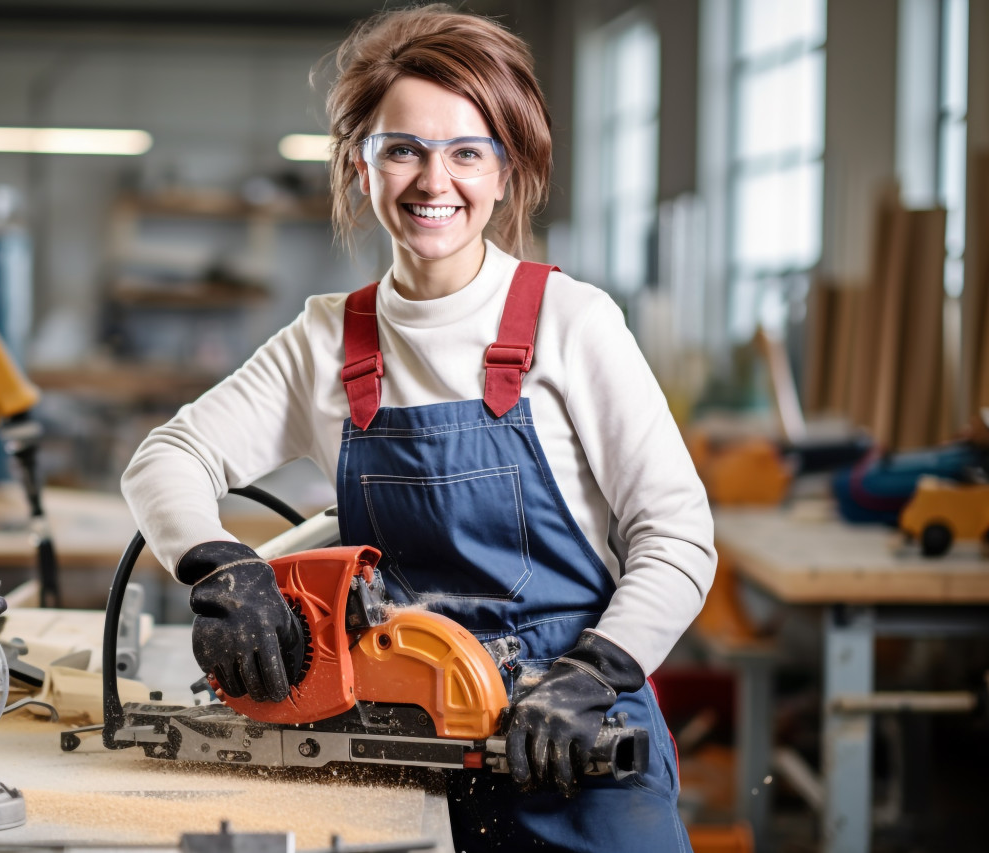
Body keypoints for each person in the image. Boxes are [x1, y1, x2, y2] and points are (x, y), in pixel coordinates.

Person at [123, 4, 715, 850]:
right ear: (360, 165)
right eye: (403, 149)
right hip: (399, 749)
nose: (435, 183)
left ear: (507, 171)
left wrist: (597, 670)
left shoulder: (572, 322)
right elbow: (167, 457)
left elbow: (680, 536)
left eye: (467, 152)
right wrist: (223, 566)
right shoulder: (328, 338)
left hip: (577, 742)